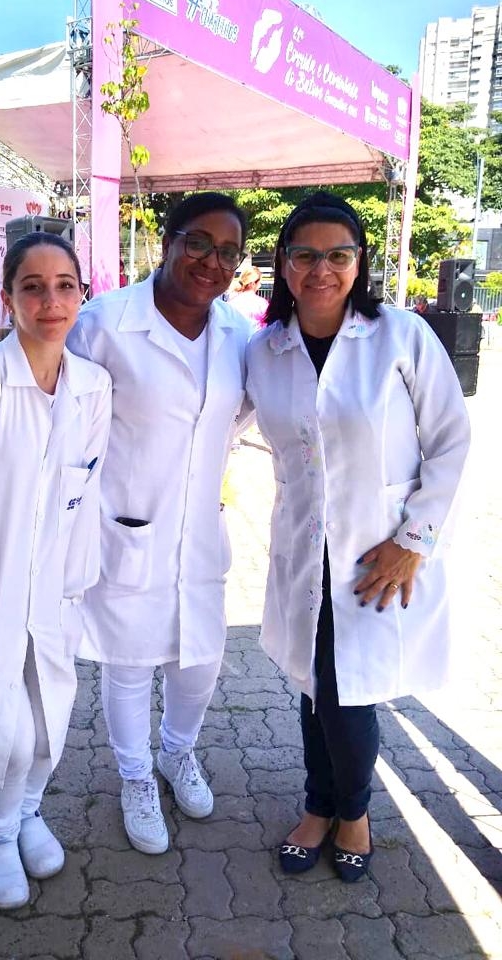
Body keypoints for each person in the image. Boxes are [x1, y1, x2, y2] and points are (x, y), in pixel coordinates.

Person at [245, 191, 470, 882]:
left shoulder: (400, 335)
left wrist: (415, 540)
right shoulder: (264, 350)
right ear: (284, 264)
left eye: (338, 255)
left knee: (346, 692)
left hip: (379, 551)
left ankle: (351, 813)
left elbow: (450, 439)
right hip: (302, 547)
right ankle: (320, 806)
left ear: (359, 261)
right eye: (305, 255)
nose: (322, 269)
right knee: (314, 683)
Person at [67, 192, 252, 854]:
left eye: (227, 251)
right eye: (197, 242)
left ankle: (178, 753)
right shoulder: (105, 322)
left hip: (199, 527)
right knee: (129, 660)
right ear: (168, 242)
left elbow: (239, 414)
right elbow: (71, 422)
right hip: (127, 522)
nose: (211, 261)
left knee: (199, 658)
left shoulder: (237, 333)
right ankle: (135, 777)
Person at [0, 232, 112, 908]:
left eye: (65, 286)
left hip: (56, 585)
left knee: (50, 720)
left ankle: (27, 812)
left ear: (81, 295)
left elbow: (86, 491)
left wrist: (75, 584)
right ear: (8, 297)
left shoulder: (93, 386)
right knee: (5, 728)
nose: (51, 301)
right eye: (33, 287)